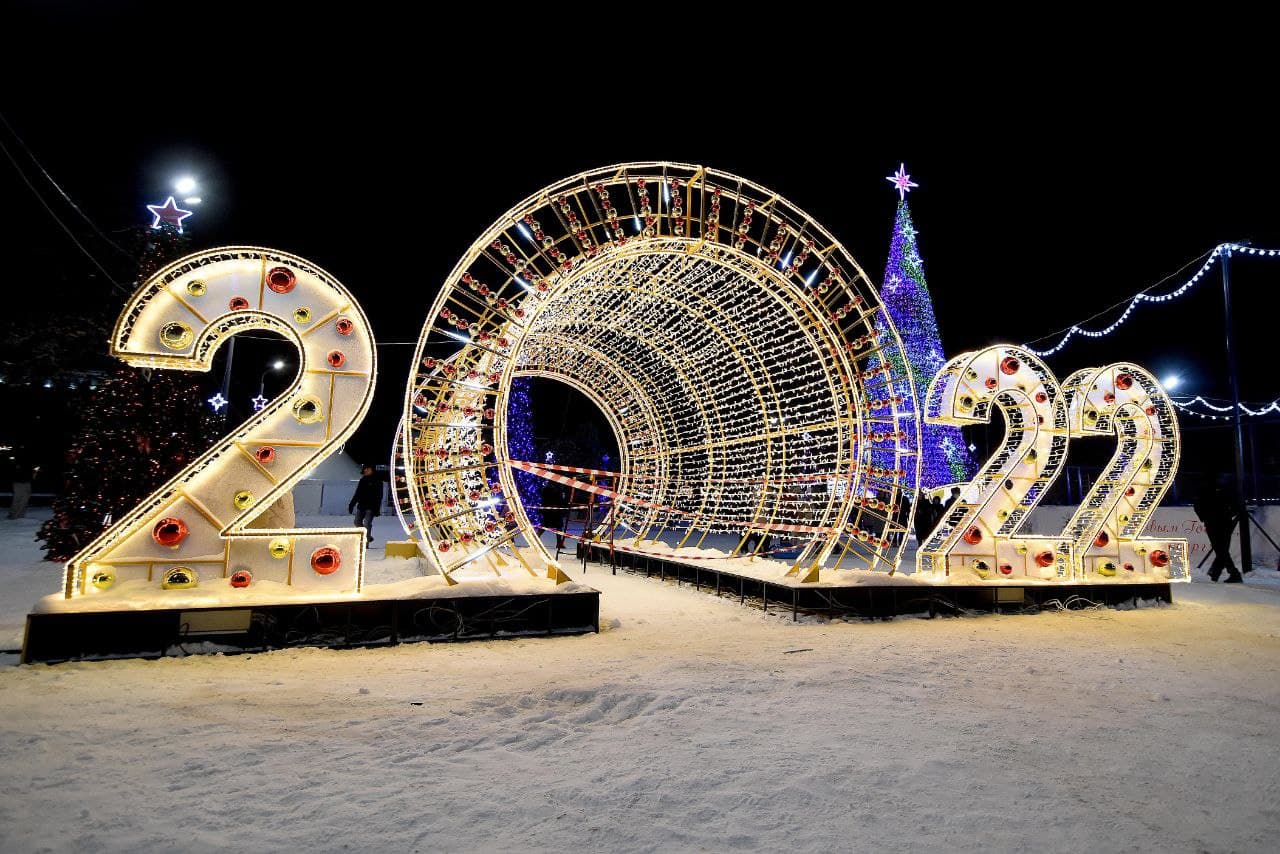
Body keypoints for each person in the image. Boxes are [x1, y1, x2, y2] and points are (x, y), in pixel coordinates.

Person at [1193, 473, 1243, 583]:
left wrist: (1205, 517)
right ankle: (1218, 572)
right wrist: (1228, 515)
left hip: (1214, 522)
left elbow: (1197, 505)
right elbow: (1235, 504)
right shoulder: (1224, 488)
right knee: (1222, 548)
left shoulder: (1204, 489)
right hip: (1224, 521)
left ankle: (1230, 572)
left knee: (1220, 548)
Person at [348, 464, 382, 545]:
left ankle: (365, 542)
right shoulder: (362, 481)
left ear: (371, 470)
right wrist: (352, 504)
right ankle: (368, 537)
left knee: (367, 523)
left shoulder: (377, 481)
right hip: (362, 506)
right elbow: (357, 493)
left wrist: (377, 509)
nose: (365, 471)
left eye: (367, 469)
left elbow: (379, 496)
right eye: (365, 470)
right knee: (357, 522)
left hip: (371, 507)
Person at [7, 447, 36, 520]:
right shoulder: (15, 458)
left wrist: (33, 474)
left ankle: (19, 515)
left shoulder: (29, 458)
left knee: (24, 499)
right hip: (18, 481)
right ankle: (13, 515)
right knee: (18, 498)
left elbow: (32, 469)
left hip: (26, 481)